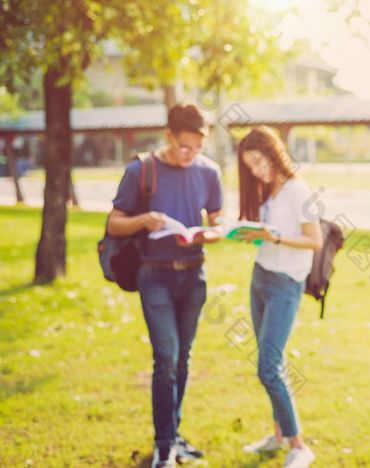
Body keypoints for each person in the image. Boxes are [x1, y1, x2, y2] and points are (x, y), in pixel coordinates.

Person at [107, 103, 224, 468]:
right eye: (183, 146)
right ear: (169, 135)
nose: (190, 155)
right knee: (167, 358)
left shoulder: (209, 172)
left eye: (198, 148)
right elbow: (114, 224)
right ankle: (163, 447)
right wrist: (144, 220)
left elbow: (219, 223)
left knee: (183, 360)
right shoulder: (141, 170)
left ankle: (173, 435)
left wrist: (210, 233)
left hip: (193, 275)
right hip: (154, 275)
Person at [234, 126, 322, 468]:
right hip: (261, 277)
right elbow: (269, 235)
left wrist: (274, 235)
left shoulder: (298, 189)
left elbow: (313, 240)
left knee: (269, 367)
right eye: (249, 165)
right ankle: (279, 435)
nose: (256, 170)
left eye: (258, 161)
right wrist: (254, 234)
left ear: (273, 152)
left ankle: (299, 446)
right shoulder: (267, 189)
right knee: (273, 362)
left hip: (286, 283)